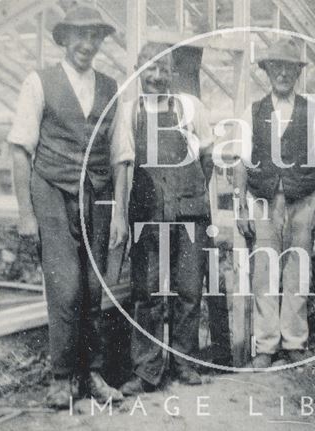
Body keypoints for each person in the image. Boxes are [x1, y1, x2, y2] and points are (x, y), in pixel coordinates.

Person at [8, 5, 129, 408]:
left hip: (96, 194)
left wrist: (120, 213)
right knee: (66, 287)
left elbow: (121, 157)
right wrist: (26, 214)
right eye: (80, 36)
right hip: (52, 192)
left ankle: (91, 373)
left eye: (95, 36)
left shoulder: (112, 87)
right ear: (64, 39)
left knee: (94, 287)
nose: (87, 44)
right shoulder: (39, 82)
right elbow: (21, 150)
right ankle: (61, 377)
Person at [117, 43, 215, 394]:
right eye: (150, 69)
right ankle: (147, 370)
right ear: (138, 71)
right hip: (148, 213)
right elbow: (124, 166)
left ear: (173, 72)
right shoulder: (129, 112)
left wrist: (191, 196)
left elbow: (207, 157)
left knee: (189, 289)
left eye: (164, 69)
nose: (157, 76)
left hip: (190, 212)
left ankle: (184, 362)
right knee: (147, 293)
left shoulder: (191, 107)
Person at [233, 38, 315, 369]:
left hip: (303, 200)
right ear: (267, 71)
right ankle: (265, 346)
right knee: (264, 271)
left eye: (289, 67)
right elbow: (241, 163)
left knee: (298, 271)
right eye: (276, 66)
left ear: (297, 72)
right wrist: (242, 207)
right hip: (264, 202)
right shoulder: (252, 111)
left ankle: (294, 343)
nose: (282, 73)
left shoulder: (312, 109)